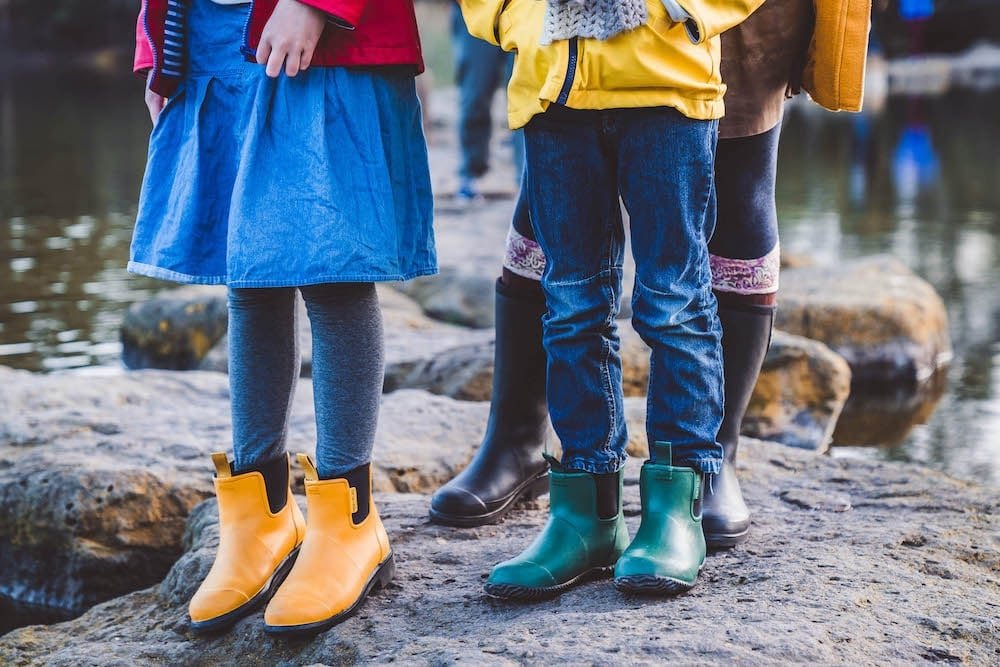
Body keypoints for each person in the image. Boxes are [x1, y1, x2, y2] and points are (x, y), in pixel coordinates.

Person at [433, 0, 870, 556]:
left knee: (733, 194)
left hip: (709, 30)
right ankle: (526, 447)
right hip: (558, 49)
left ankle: (706, 463)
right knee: (553, 224)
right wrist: (513, 19)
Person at [132, 0, 434, 634]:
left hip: (315, 26)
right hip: (210, 35)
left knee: (333, 270)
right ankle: (261, 519)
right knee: (251, 278)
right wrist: (158, 46)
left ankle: (349, 524)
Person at [449, 0, 764, 600]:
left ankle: (676, 511)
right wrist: (517, 21)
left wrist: (675, 11)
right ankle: (585, 516)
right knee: (571, 306)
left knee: (675, 302)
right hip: (551, 96)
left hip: (666, 88)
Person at [450, 2, 522, 200]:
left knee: (526, 97)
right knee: (474, 95)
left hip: (524, 10)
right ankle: (470, 172)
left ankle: (526, 180)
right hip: (474, 10)